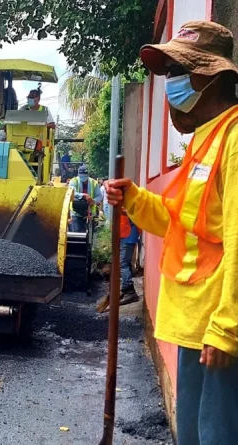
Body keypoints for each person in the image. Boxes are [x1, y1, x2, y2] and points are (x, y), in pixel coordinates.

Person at [104, 21, 238, 444]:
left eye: (178, 72)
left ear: (209, 77)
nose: (169, 84)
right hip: (194, 321)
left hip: (219, 327)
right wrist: (136, 199)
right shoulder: (206, 139)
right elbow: (181, 220)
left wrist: (227, 328)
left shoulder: (234, 139)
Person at [68, 165, 102, 232]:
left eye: (85, 177)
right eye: (81, 177)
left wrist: (93, 201)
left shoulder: (94, 183)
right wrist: (84, 195)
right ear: (78, 175)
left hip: (90, 213)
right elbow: (72, 192)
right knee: (76, 232)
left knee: (89, 236)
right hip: (76, 212)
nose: (83, 179)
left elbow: (99, 196)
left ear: (88, 175)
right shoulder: (73, 181)